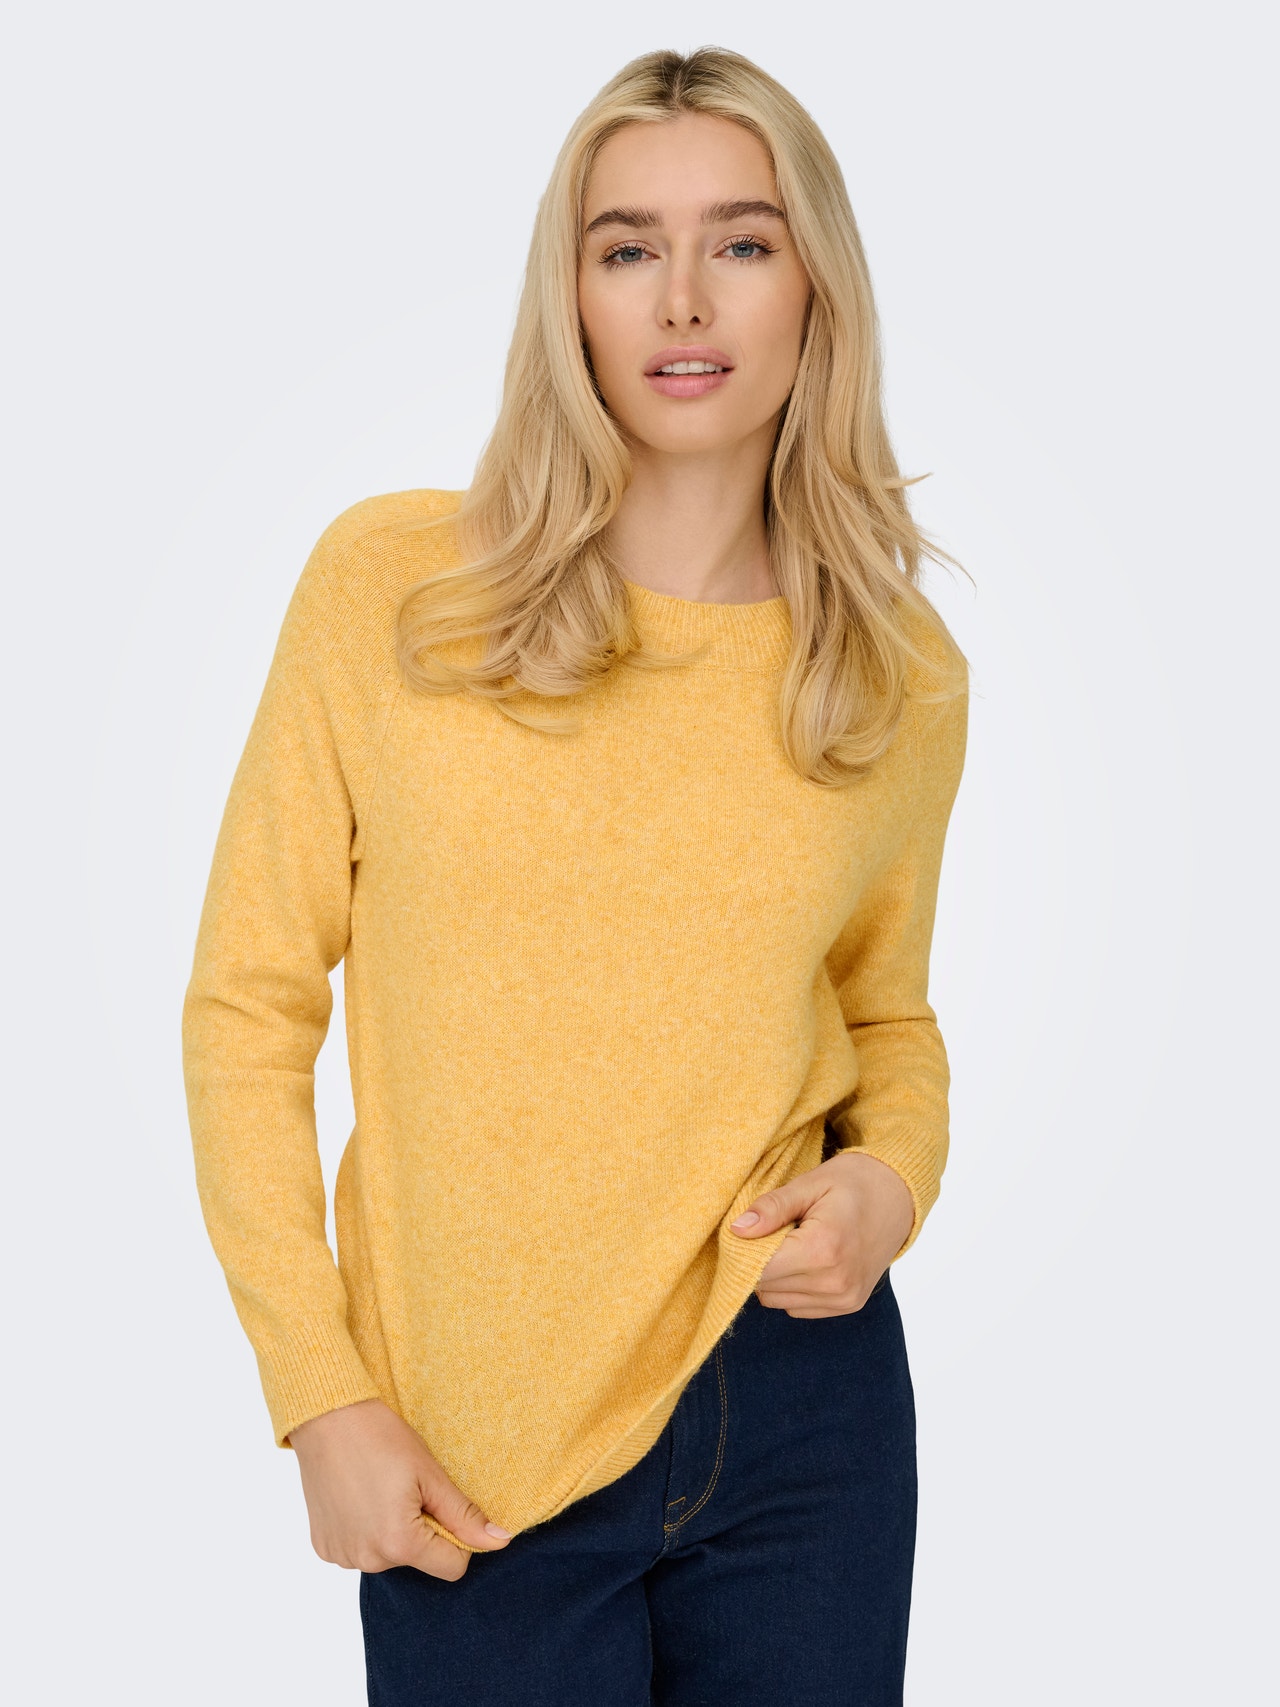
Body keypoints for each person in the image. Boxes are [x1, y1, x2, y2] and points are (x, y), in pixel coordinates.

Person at [182, 45, 968, 1707]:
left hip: (802, 1416)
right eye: (628, 248)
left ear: (816, 287)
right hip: (476, 1445)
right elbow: (248, 1007)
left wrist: (889, 1189)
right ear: (572, 295)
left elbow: (886, 1019)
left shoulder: (893, 674)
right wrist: (320, 1393)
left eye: (742, 241)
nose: (684, 298)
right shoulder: (398, 590)